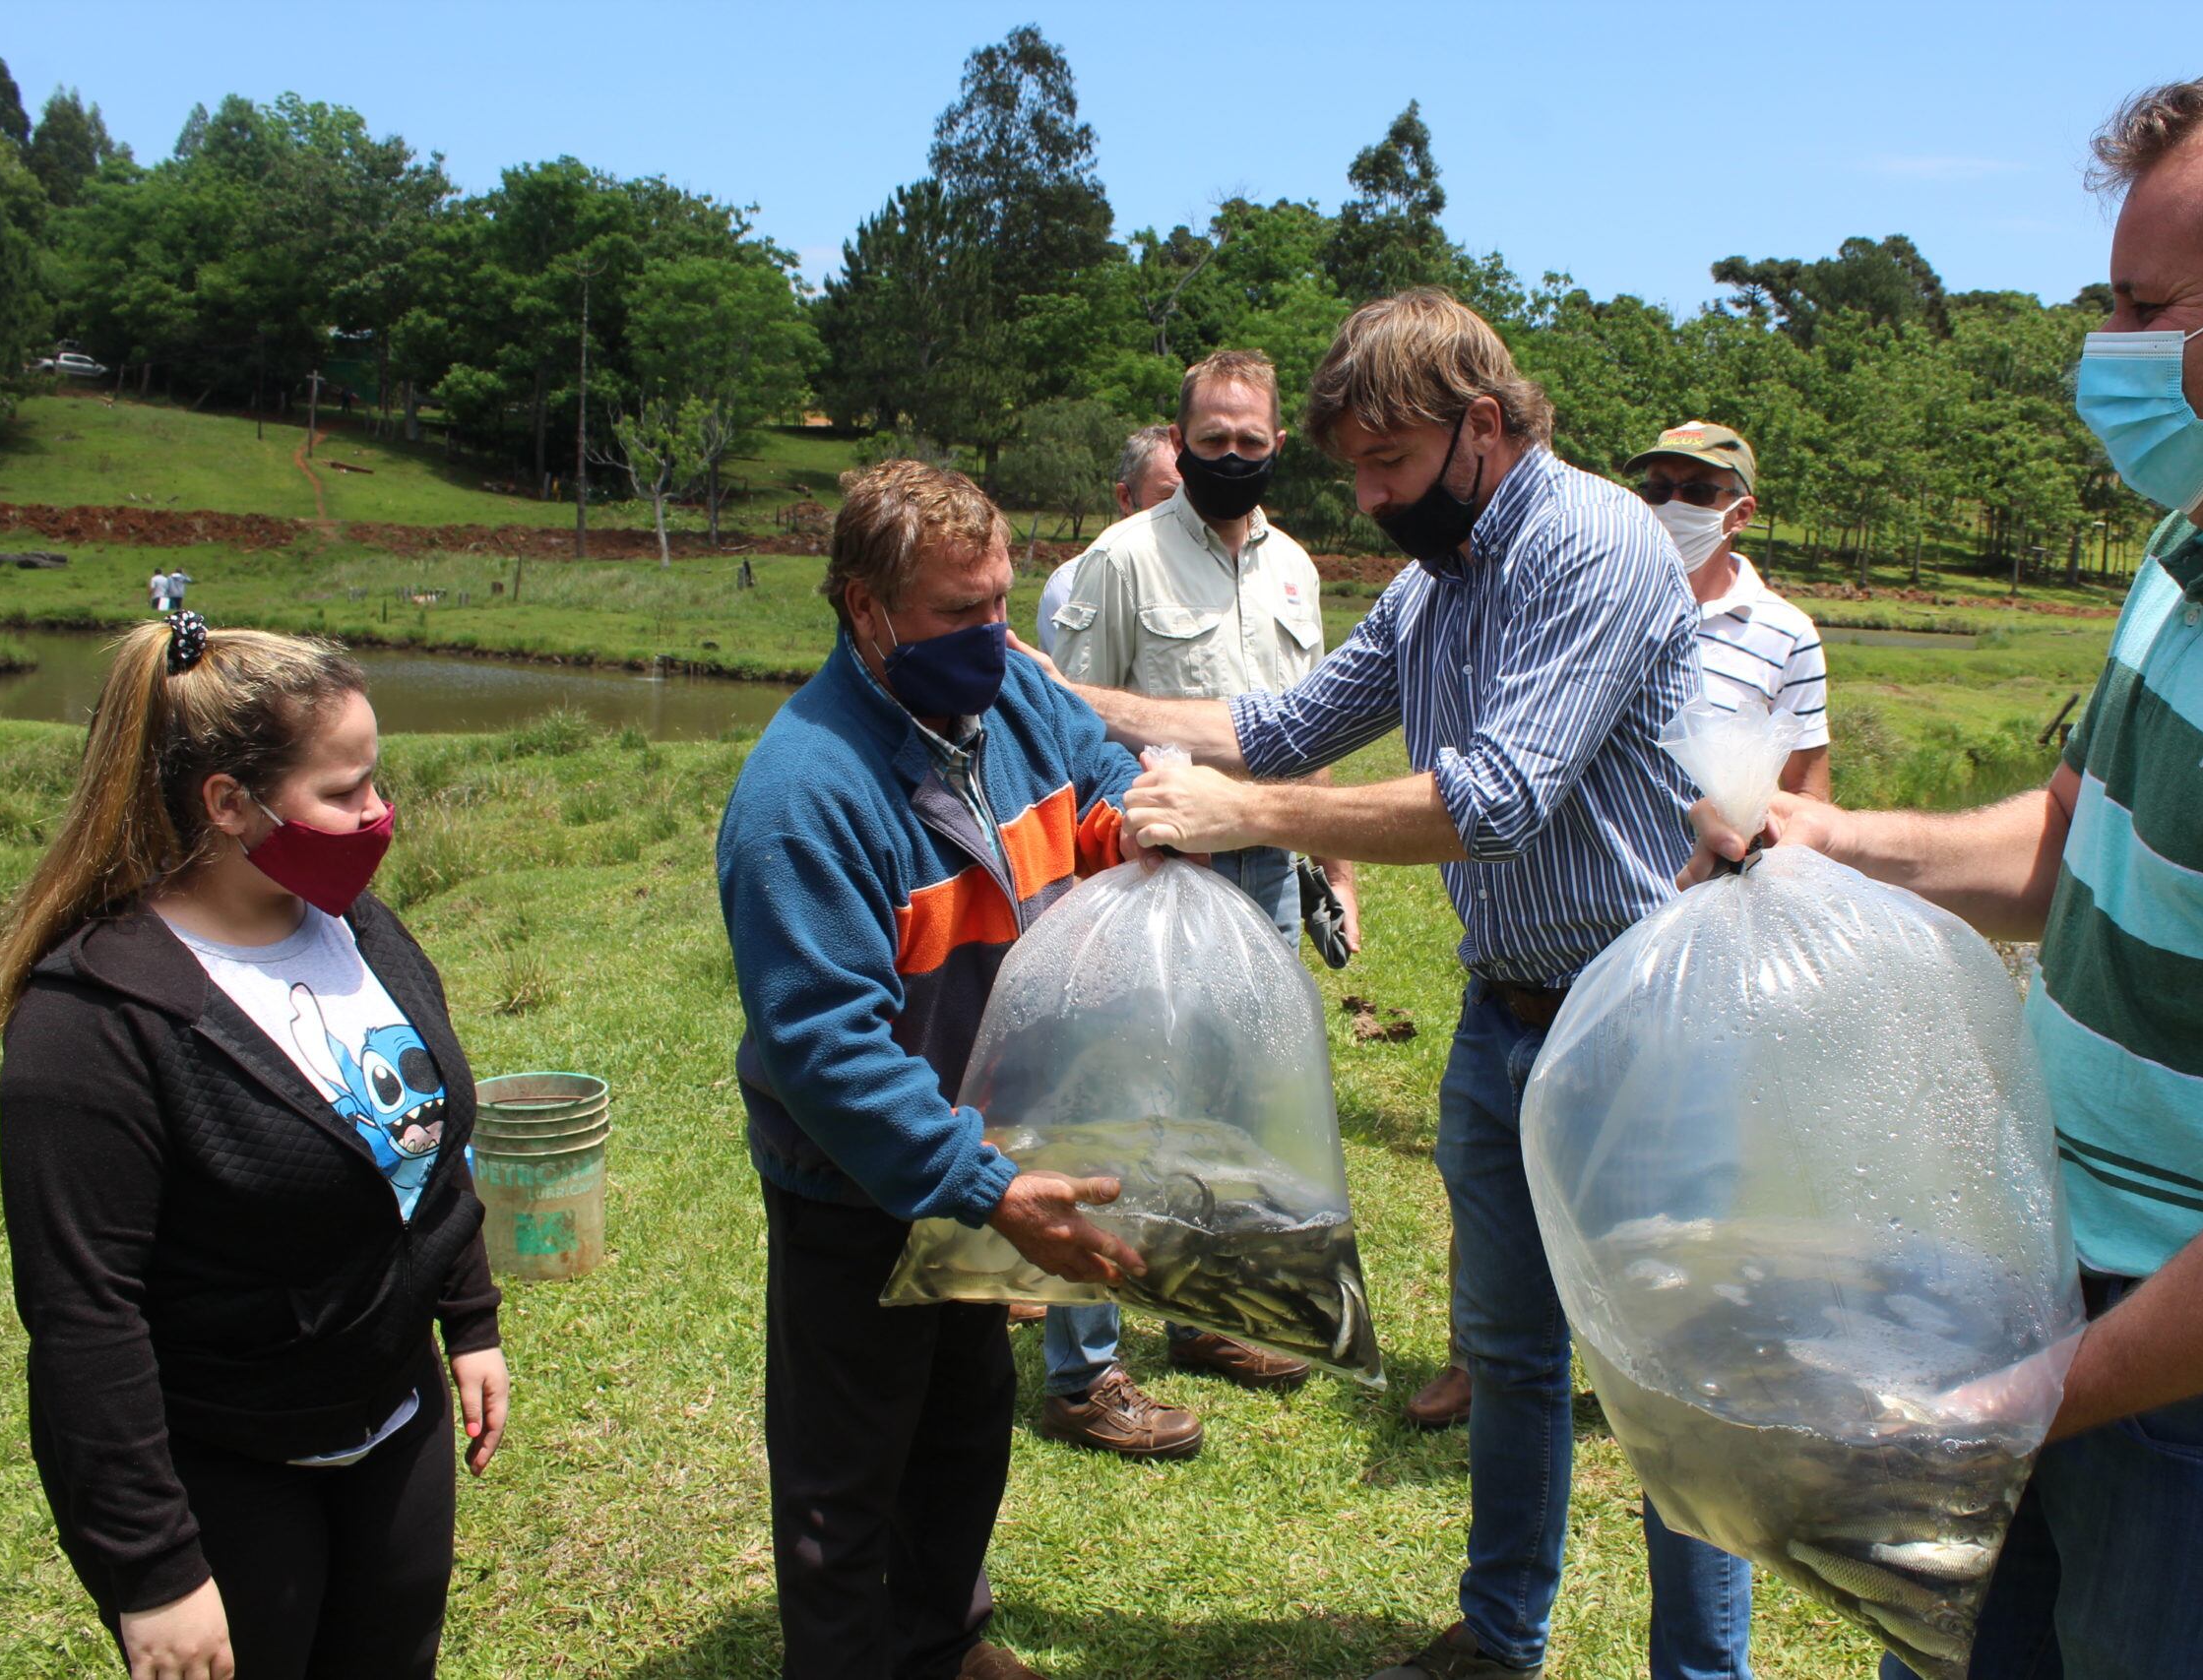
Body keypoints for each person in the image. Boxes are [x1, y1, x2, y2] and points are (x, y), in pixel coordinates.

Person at [1677, 51, 2203, 1680]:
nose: (2102, 353)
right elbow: (2068, 841)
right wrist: (1832, 839)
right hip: (2067, 1287)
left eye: (2142, 304)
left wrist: (2034, 1395)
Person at [1027, 289, 1755, 1680]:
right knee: (1513, 1353)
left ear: (1481, 425)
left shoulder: (1592, 543)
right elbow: (1279, 723)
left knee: (1671, 1379)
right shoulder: (1437, 582)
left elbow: (1497, 798)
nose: (1365, 500)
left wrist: (1258, 820)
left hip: (1635, 1014)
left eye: (1389, 464)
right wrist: (1062, 693)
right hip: (1505, 1013)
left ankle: (1702, 1671)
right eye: (1353, 468)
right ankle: (1499, 1632)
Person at [0, 615, 510, 1680]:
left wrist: (469, 1319)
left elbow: (419, 1142)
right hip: (226, 1461)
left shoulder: (360, 928)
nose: (379, 814)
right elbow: (87, 1317)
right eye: (345, 790)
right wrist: (154, 1571)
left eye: (378, 780)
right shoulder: (92, 1022)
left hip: (392, 1419)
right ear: (229, 802)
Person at [718, 460, 1156, 1680]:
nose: (994, 636)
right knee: (843, 1473)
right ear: (865, 609)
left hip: (984, 1145)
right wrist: (982, 1181)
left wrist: (1143, 828)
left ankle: (940, 1640)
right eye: (958, 614)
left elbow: (1097, 783)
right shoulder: (803, 795)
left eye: (1001, 603)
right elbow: (826, 1047)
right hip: (860, 1185)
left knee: (964, 1425)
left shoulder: (1010, 695)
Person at [1032, 348, 1363, 1440]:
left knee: (1226, 1092)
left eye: (1250, 441)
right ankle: (1084, 1370)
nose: (1231, 457)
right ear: (1179, 444)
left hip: (1265, 864)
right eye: (1210, 441)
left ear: (1277, 444)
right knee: (1113, 1097)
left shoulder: (1296, 569)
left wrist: (1335, 867)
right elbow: (1068, 724)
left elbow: (1308, 731)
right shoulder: (1117, 560)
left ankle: (1193, 1308)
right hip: (1152, 866)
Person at [1626, 420, 1830, 797]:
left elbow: (1808, 795)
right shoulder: (1606, 603)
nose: (1674, 505)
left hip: (1719, 854)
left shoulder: (1788, 635)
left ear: (1741, 513)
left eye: (1698, 491)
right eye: (1659, 489)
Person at [1035, 426, 1180, 648]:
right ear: (1125, 499)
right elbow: (1074, 682)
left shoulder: (1213, 574)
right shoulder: (1073, 588)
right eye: (1169, 498)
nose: (1183, 512)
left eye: (1192, 499)